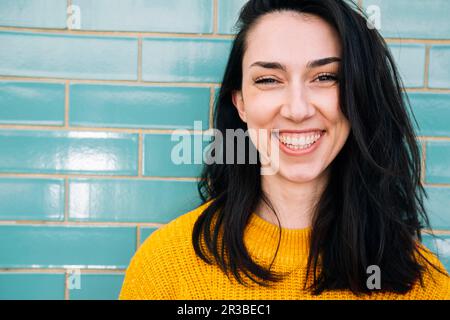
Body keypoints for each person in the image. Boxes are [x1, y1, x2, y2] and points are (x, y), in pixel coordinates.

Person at [119, 0, 450, 299]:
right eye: (268, 80)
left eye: (325, 77)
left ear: (358, 97)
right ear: (241, 104)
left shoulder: (423, 285)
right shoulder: (164, 268)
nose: (297, 109)